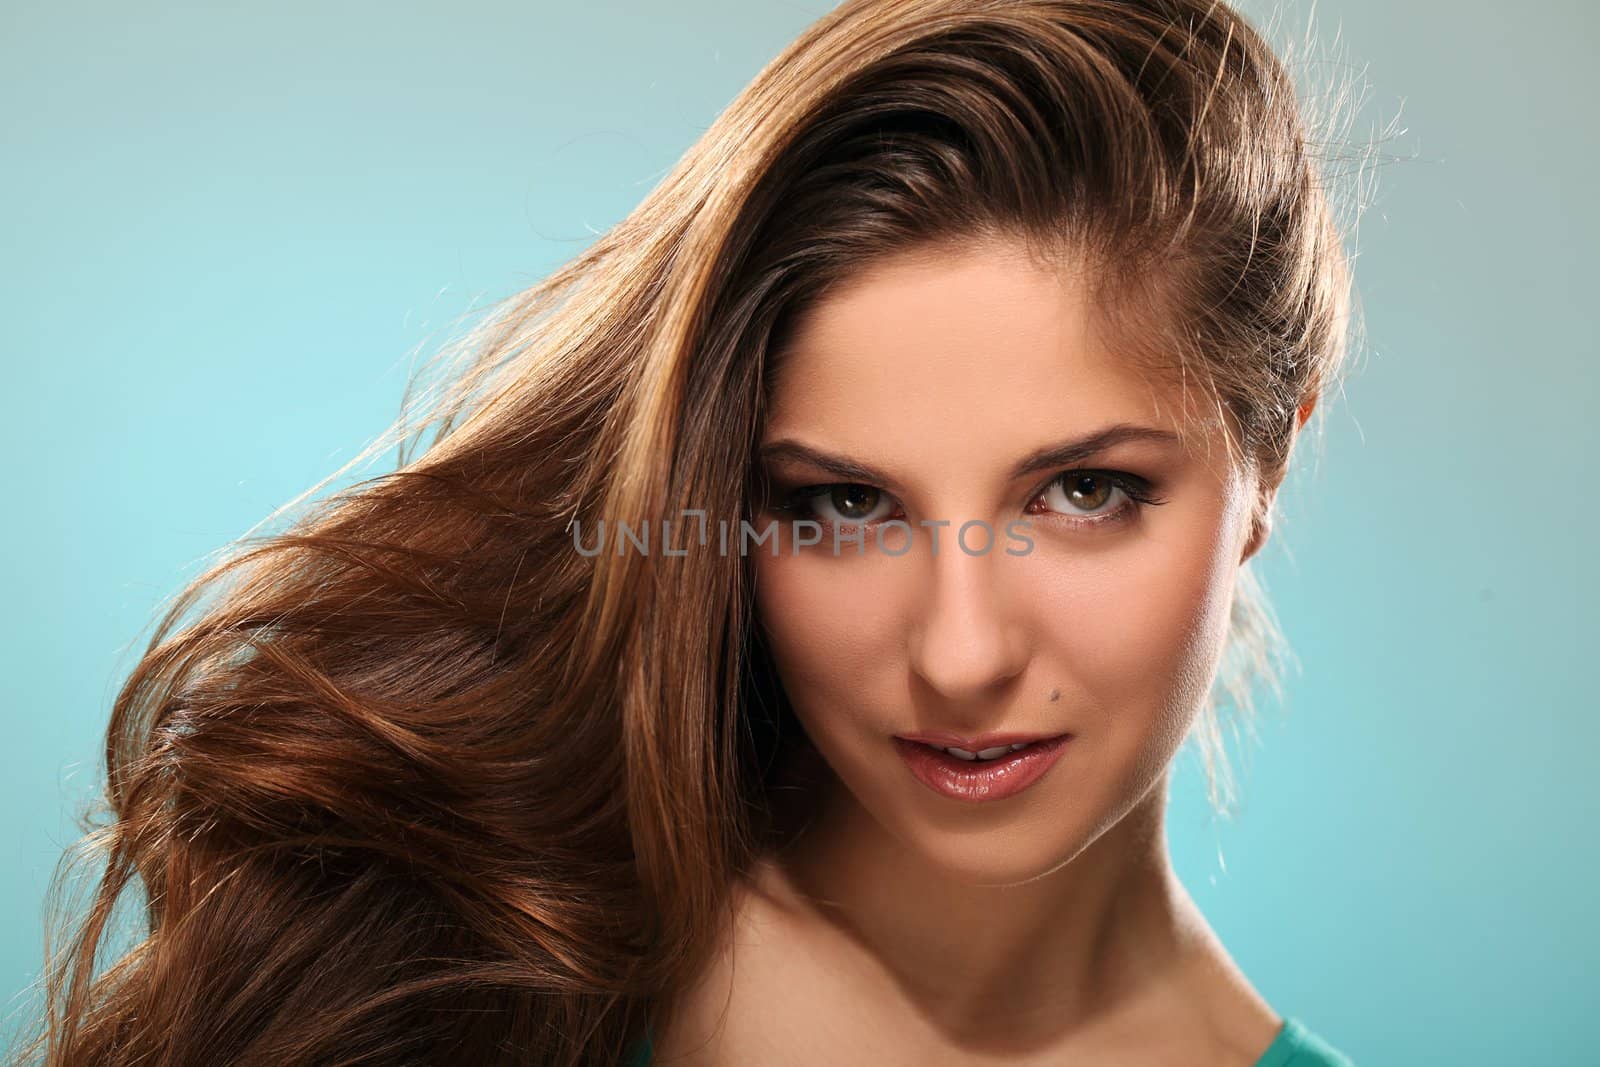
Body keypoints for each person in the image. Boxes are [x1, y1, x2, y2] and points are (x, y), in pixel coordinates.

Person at [20, 0, 1364, 1063]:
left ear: (1272, 459)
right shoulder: (441, 955)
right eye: (842, 505)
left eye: (1083, 493)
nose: (959, 657)